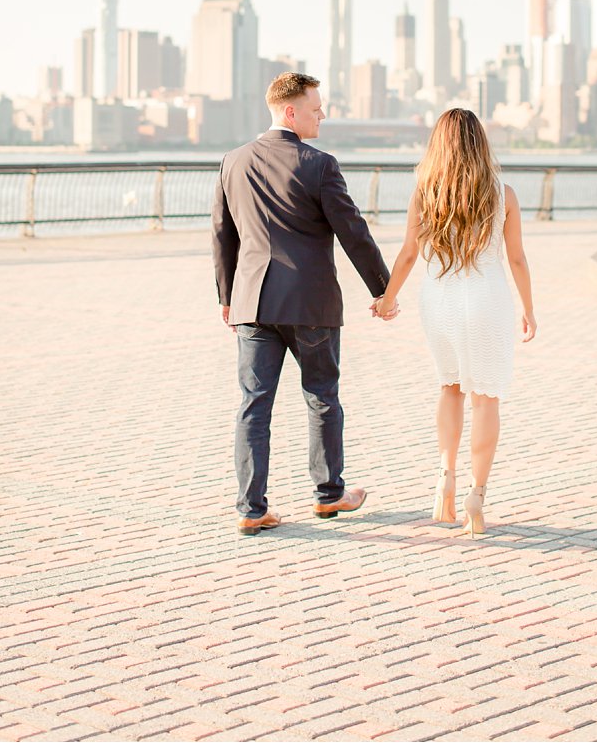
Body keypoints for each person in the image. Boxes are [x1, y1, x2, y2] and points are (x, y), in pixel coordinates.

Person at [210, 72, 393, 537]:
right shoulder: (320, 164)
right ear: (290, 111)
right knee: (322, 398)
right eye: (316, 108)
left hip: (253, 302)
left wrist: (228, 297)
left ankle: (252, 508)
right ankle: (329, 495)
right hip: (310, 303)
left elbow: (222, 235)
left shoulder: (233, 161)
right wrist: (382, 288)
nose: (322, 115)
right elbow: (353, 231)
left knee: (254, 404)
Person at [372, 108, 537, 537]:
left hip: (439, 299)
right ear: (480, 144)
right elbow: (516, 258)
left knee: (450, 388)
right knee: (485, 398)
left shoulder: (424, 193)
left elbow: (409, 254)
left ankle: (445, 480)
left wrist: (388, 299)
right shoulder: (504, 194)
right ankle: (475, 497)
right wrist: (529, 308)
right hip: (487, 299)